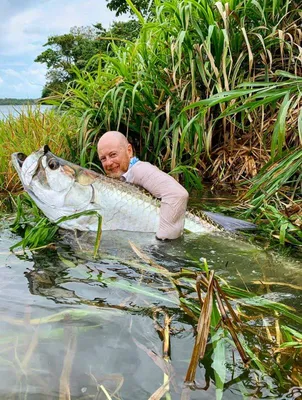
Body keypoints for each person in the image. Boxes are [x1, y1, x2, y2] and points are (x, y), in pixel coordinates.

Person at [97, 131, 189, 240]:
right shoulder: (122, 177)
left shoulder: (139, 170)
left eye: (113, 155)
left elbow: (177, 194)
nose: (108, 163)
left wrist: (162, 245)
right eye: (103, 158)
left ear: (129, 151)